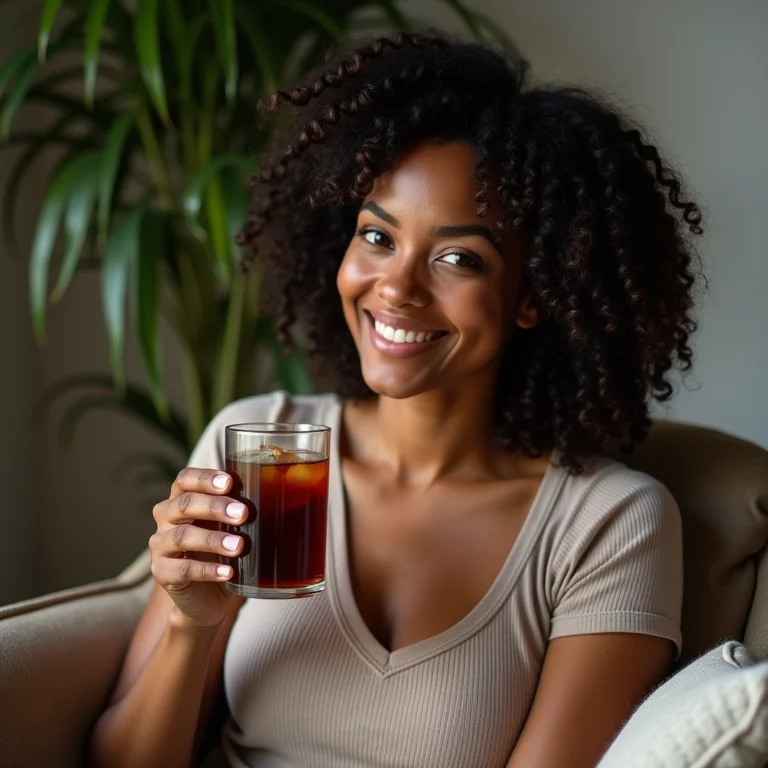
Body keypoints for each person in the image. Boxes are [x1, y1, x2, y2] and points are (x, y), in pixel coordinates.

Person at [87, 32, 703, 768]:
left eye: (458, 258)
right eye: (377, 235)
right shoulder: (259, 440)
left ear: (533, 296)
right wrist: (192, 627)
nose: (396, 288)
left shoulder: (606, 523)